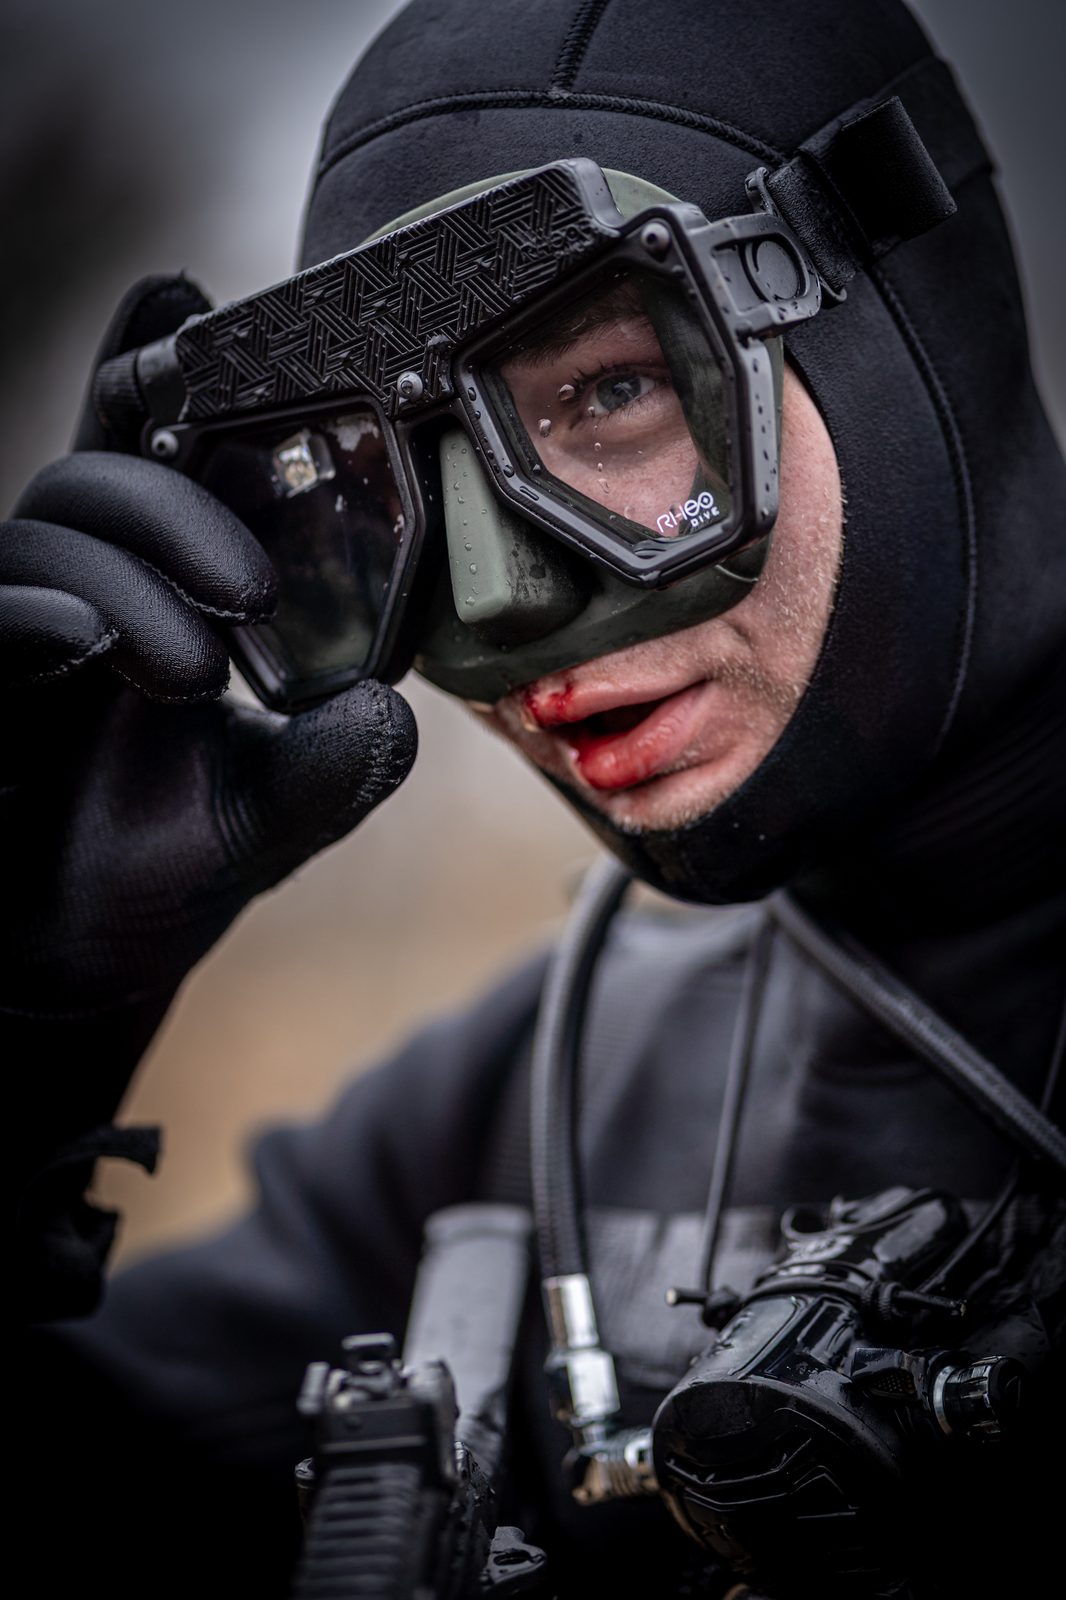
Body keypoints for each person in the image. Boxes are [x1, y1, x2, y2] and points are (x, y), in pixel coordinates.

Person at [9, 1, 1064, 1595]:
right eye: (379, 485)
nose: (488, 605)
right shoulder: (514, 1113)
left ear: (907, 311)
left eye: (610, 389)